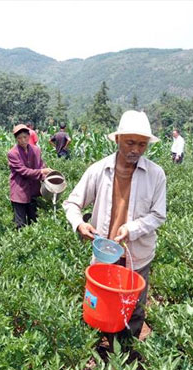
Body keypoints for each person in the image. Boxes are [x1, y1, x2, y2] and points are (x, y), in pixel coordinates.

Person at [63, 110, 166, 340]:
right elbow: (71, 202)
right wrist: (79, 224)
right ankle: (101, 357)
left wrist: (132, 228)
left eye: (142, 144)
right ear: (118, 139)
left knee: (134, 309)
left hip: (136, 257)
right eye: (130, 142)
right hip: (105, 257)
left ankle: (127, 358)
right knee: (101, 306)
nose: (136, 149)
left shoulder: (156, 175)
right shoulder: (99, 170)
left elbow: (159, 215)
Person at [8, 124, 53, 229]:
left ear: (29, 136)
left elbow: (41, 165)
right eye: (19, 138)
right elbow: (24, 171)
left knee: (34, 222)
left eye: (25, 137)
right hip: (20, 192)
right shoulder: (13, 153)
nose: (23, 140)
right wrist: (41, 171)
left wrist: (47, 177)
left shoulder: (36, 150)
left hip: (33, 191)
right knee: (20, 224)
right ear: (16, 139)